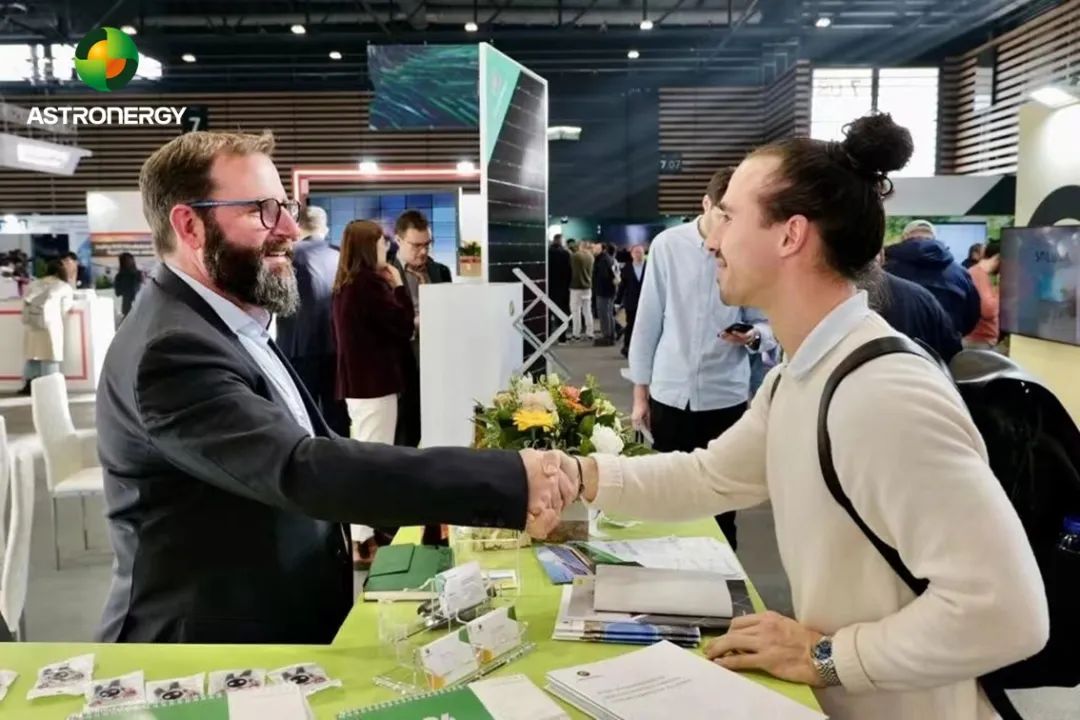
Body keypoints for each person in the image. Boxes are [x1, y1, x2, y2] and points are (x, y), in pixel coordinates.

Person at [549, 114, 1047, 720]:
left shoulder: (881, 393)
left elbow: (1007, 614)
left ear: (790, 235)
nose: (710, 239)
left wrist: (827, 657)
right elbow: (710, 476)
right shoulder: (802, 374)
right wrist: (576, 474)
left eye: (728, 216)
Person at [95, 130, 573, 644]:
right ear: (190, 225)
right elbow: (302, 469)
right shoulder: (172, 350)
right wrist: (509, 478)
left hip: (267, 626)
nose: (289, 229)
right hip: (209, 651)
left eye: (286, 207)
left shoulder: (228, 323)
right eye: (262, 211)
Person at [628, 167, 777, 550]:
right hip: (670, 390)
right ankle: (668, 568)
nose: (728, 227)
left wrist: (754, 336)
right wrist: (640, 395)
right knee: (666, 492)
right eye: (723, 215)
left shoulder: (747, 249)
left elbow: (767, 323)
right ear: (706, 204)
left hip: (724, 393)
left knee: (721, 500)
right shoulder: (668, 245)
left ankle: (724, 576)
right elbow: (647, 321)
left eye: (736, 218)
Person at [332, 220, 416, 567]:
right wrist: (399, 287)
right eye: (382, 244)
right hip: (374, 384)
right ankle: (361, 540)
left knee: (368, 455)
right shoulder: (369, 285)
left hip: (361, 384)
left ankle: (366, 534)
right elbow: (402, 325)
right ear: (369, 247)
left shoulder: (347, 284)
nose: (387, 249)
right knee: (371, 460)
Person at [273, 205, 349, 437]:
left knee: (302, 413)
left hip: (298, 346)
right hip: (336, 346)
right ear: (325, 228)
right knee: (336, 414)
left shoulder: (289, 254)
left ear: (298, 226)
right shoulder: (339, 255)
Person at [392, 209, 452, 448]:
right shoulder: (386, 273)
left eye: (427, 244)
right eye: (416, 245)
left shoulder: (440, 271)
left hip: (437, 362)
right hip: (402, 361)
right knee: (404, 430)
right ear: (398, 240)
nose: (424, 251)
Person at [883, 220, 981, 336]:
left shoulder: (886, 270)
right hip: (945, 343)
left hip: (898, 342)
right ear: (934, 239)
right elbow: (972, 314)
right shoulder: (960, 273)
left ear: (904, 238)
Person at [862, 256, 962, 362]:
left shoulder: (853, 298)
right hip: (922, 368)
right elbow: (952, 350)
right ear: (881, 256)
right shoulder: (922, 296)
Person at [19, 257, 74, 395]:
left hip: (32, 324)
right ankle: (49, 387)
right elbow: (65, 308)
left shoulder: (35, 284)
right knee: (50, 356)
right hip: (50, 325)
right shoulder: (63, 286)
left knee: (32, 355)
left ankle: (29, 385)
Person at [965, 241, 1001, 350]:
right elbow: (988, 311)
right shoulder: (978, 275)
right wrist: (1000, 288)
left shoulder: (978, 273)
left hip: (978, 340)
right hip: (979, 341)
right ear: (998, 257)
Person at [616, 244, 646, 357]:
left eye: (641, 253)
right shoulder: (627, 269)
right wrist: (618, 301)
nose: (639, 255)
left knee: (645, 326)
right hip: (631, 302)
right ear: (632, 254)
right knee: (631, 325)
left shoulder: (650, 267)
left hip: (646, 303)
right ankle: (627, 347)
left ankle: (644, 349)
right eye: (636, 252)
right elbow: (622, 286)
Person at [568, 240, 595, 341]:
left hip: (576, 287)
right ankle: (590, 333)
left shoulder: (575, 256)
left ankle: (576, 334)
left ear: (579, 246)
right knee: (587, 311)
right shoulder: (591, 257)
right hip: (587, 287)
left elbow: (570, 266)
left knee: (576, 312)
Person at [592, 241, 617, 347]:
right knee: (609, 313)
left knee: (604, 314)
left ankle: (606, 336)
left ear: (603, 249)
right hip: (609, 291)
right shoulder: (609, 258)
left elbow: (603, 277)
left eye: (596, 248)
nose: (594, 250)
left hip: (603, 291)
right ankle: (611, 335)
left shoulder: (603, 260)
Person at [548, 234, 572, 338]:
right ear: (561, 241)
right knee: (562, 312)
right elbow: (569, 271)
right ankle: (562, 337)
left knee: (548, 311)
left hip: (549, 286)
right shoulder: (566, 254)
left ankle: (547, 335)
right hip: (563, 287)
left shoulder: (547, 253)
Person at [112, 252, 144, 318]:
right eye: (126, 260)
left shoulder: (138, 274)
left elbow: (144, 286)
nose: (128, 262)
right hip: (127, 307)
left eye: (129, 260)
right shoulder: (119, 276)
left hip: (139, 305)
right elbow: (118, 292)